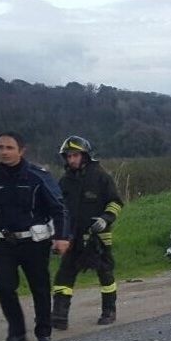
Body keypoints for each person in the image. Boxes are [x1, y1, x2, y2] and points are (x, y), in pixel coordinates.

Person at [0, 132, 71, 341]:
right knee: (4, 287)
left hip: (34, 242)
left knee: (39, 288)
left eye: (9, 148)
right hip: (6, 241)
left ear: (21, 151)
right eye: (0, 147)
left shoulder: (38, 176)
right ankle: (16, 335)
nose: (4, 152)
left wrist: (62, 237)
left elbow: (58, 208)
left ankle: (43, 333)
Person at [53, 136, 124, 329]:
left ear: (85, 156)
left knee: (105, 274)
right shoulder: (65, 181)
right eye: (68, 156)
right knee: (64, 275)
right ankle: (59, 316)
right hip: (72, 237)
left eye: (75, 155)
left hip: (98, 236)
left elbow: (115, 202)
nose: (71, 160)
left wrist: (105, 219)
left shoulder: (100, 176)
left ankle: (109, 310)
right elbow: (58, 208)